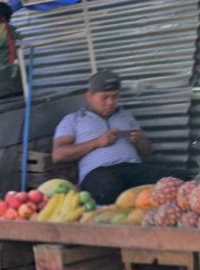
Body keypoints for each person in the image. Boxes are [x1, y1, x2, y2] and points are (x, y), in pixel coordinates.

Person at [52, 70, 170, 204]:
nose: (110, 102)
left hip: (133, 168)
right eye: (104, 97)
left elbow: (147, 151)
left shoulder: (126, 116)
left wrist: (139, 141)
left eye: (115, 97)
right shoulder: (73, 119)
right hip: (98, 173)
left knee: (175, 179)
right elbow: (58, 154)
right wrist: (97, 142)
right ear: (89, 96)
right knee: (108, 188)